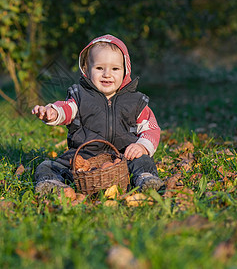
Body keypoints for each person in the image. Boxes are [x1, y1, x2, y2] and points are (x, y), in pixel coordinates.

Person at [32, 34, 164, 195]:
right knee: (48, 165)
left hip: (123, 156)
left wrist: (142, 146)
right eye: (99, 68)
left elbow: (151, 127)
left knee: (143, 160)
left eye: (115, 69)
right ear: (87, 70)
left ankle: (145, 178)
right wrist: (52, 112)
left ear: (125, 71)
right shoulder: (80, 96)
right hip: (83, 156)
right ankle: (52, 184)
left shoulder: (135, 101)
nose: (107, 74)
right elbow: (66, 109)